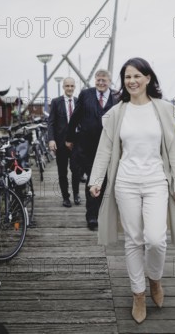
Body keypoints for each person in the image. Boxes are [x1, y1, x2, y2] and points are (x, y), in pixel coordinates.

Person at [88, 57, 175, 324]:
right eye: (127, 77)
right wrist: (96, 179)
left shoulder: (165, 109)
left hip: (157, 180)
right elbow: (106, 149)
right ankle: (138, 293)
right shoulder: (116, 113)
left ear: (148, 78)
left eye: (137, 76)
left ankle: (155, 279)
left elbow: (173, 149)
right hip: (125, 182)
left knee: (156, 239)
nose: (132, 81)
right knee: (134, 240)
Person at [66, 69, 116, 230]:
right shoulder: (85, 94)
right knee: (92, 180)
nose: (101, 83)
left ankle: (103, 213)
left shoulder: (117, 98)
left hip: (109, 147)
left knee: (106, 181)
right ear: (95, 80)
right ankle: (92, 217)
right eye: (98, 80)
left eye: (104, 80)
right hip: (87, 147)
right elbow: (75, 116)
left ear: (109, 81)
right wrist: (69, 138)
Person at [48, 77, 81, 207]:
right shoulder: (56, 102)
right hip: (60, 143)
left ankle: (76, 194)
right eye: (67, 86)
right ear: (63, 87)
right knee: (62, 171)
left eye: (72, 86)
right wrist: (51, 139)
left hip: (76, 143)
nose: (70, 88)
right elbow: (51, 122)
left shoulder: (79, 102)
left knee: (76, 170)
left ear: (74, 87)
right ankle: (65, 197)